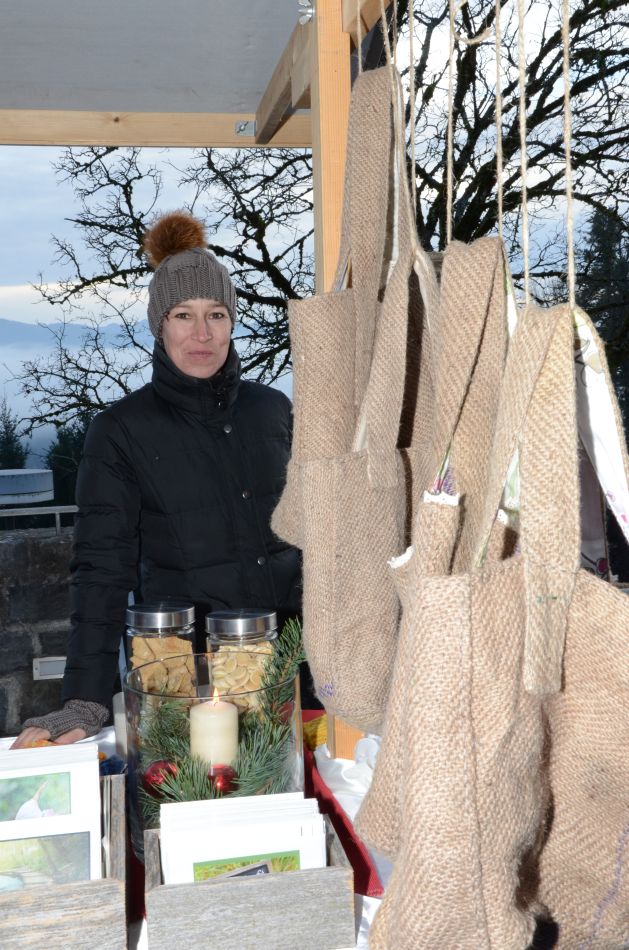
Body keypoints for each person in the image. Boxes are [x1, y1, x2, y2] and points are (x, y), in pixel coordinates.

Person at [13, 211, 301, 748]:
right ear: (159, 325)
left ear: (232, 322)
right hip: (183, 688)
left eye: (216, 314)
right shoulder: (121, 431)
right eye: (183, 314)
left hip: (292, 673)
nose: (201, 333)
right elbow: (101, 570)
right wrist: (85, 698)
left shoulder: (272, 411)